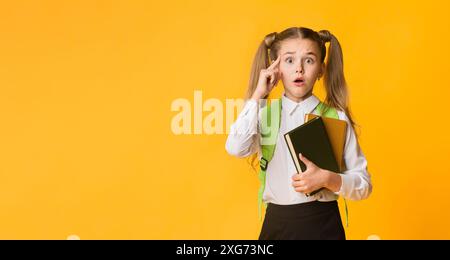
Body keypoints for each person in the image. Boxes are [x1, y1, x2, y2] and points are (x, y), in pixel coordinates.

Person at [225, 27, 372, 240]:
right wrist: (258, 94)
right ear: (275, 67)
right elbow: (235, 147)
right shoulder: (262, 115)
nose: (299, 69)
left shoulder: (336, 118)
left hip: (324, 225)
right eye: (289, 60)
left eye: (309, 61)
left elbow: (364, 185)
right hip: (277, 225)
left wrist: (329, 179)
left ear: (321, 69)